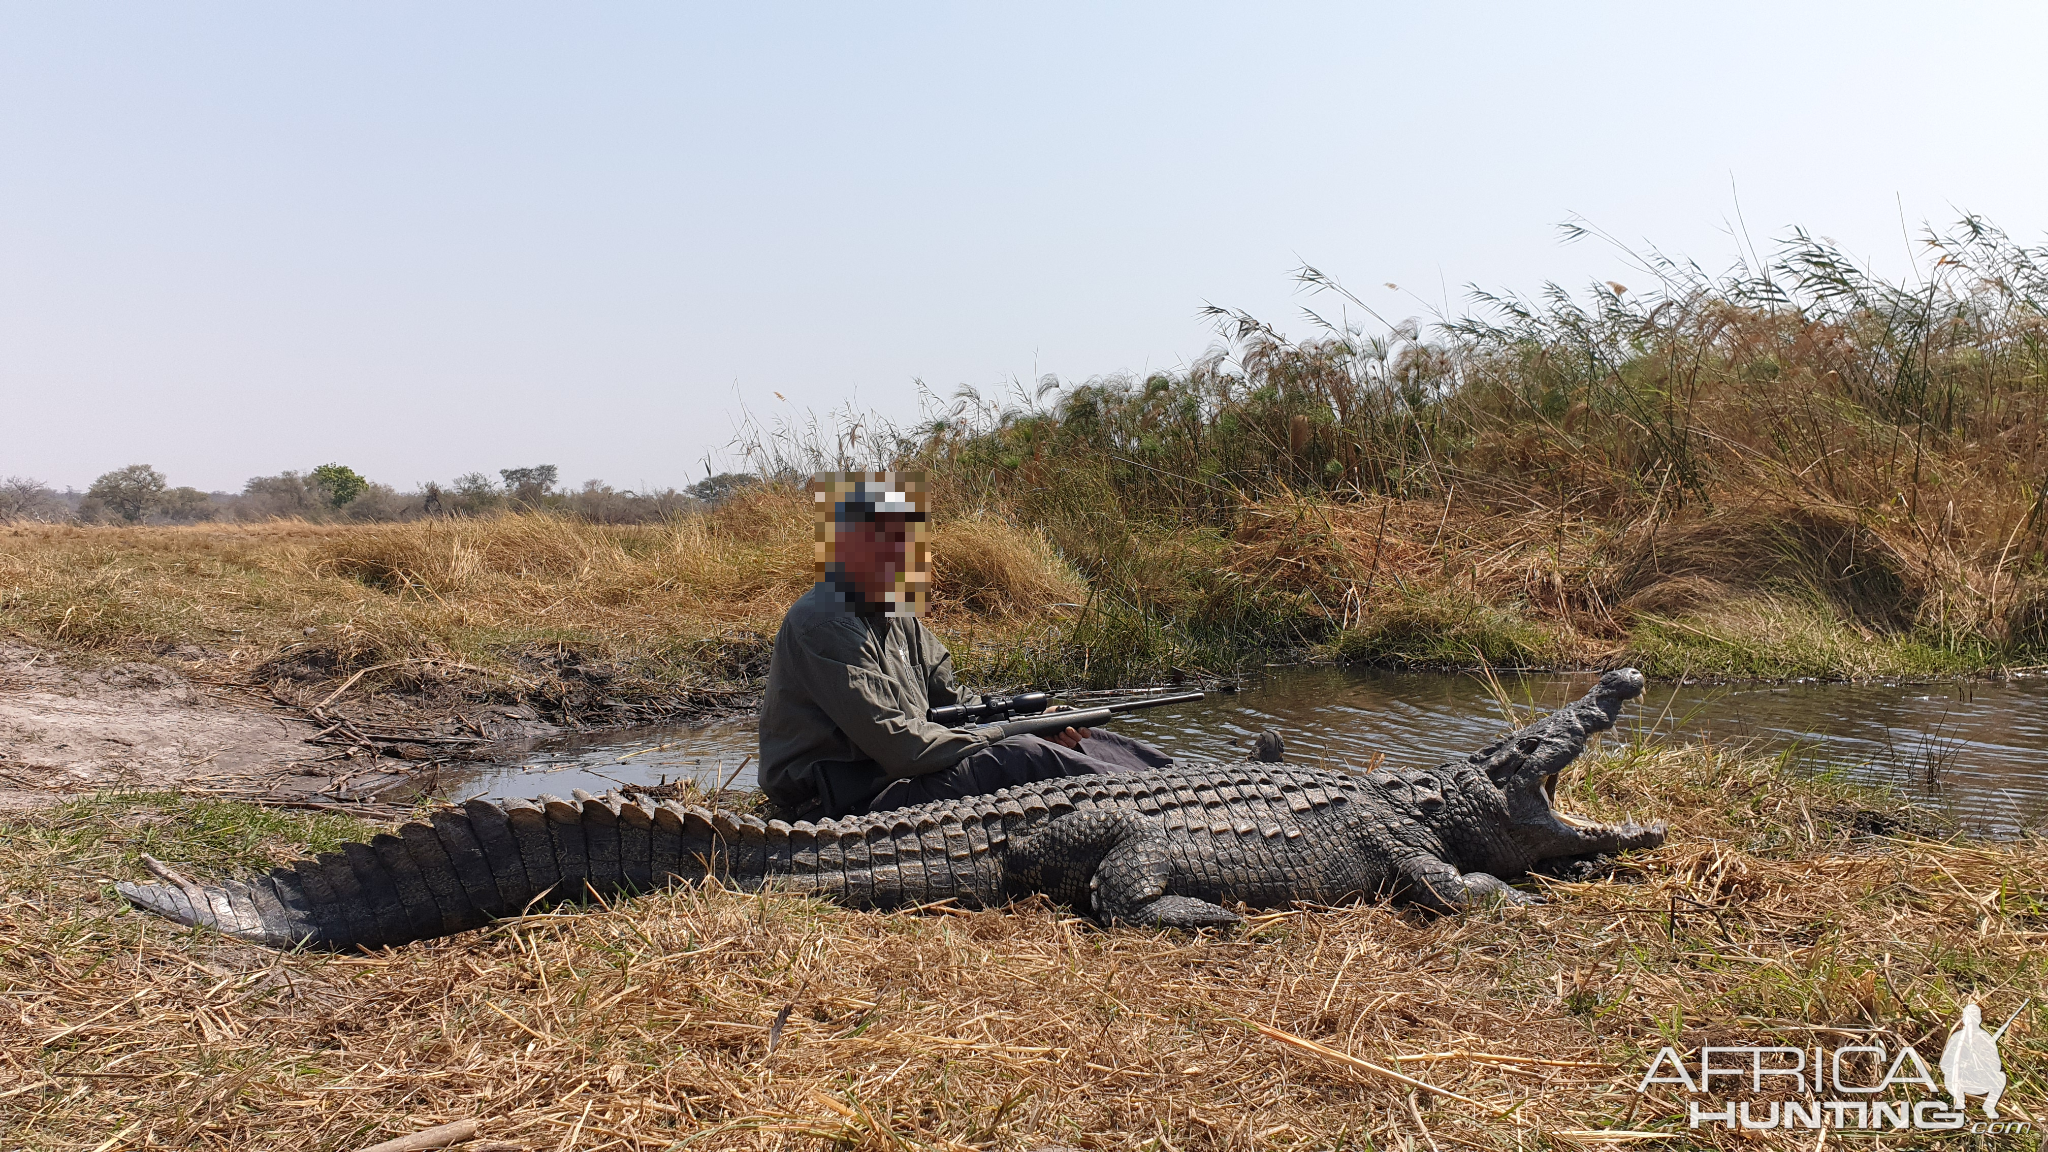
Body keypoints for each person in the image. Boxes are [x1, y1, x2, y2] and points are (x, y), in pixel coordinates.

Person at [757, 470, 1175, 820]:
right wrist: (1005, 732)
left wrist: (1044, 719)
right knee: (1022, 754)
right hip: (840, 803)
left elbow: (957, 702)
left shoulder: (895, 612)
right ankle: (1163, 813)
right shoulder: (824, 622)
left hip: (897, 774)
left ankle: (1185, 781)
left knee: (1085, 737)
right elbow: (904, 749)